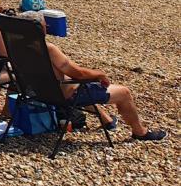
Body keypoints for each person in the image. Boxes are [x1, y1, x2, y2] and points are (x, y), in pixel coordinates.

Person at [9, 15, 165, 142]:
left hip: (37, 92)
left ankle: (107, 121)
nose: (47, 27)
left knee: (78, 84)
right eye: (44, 25)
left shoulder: (14, 46)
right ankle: (140, 132)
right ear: (38, 28)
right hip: (62, 97)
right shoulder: (48, 49)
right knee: (124, 93)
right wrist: (99, 74)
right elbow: (79, 73)